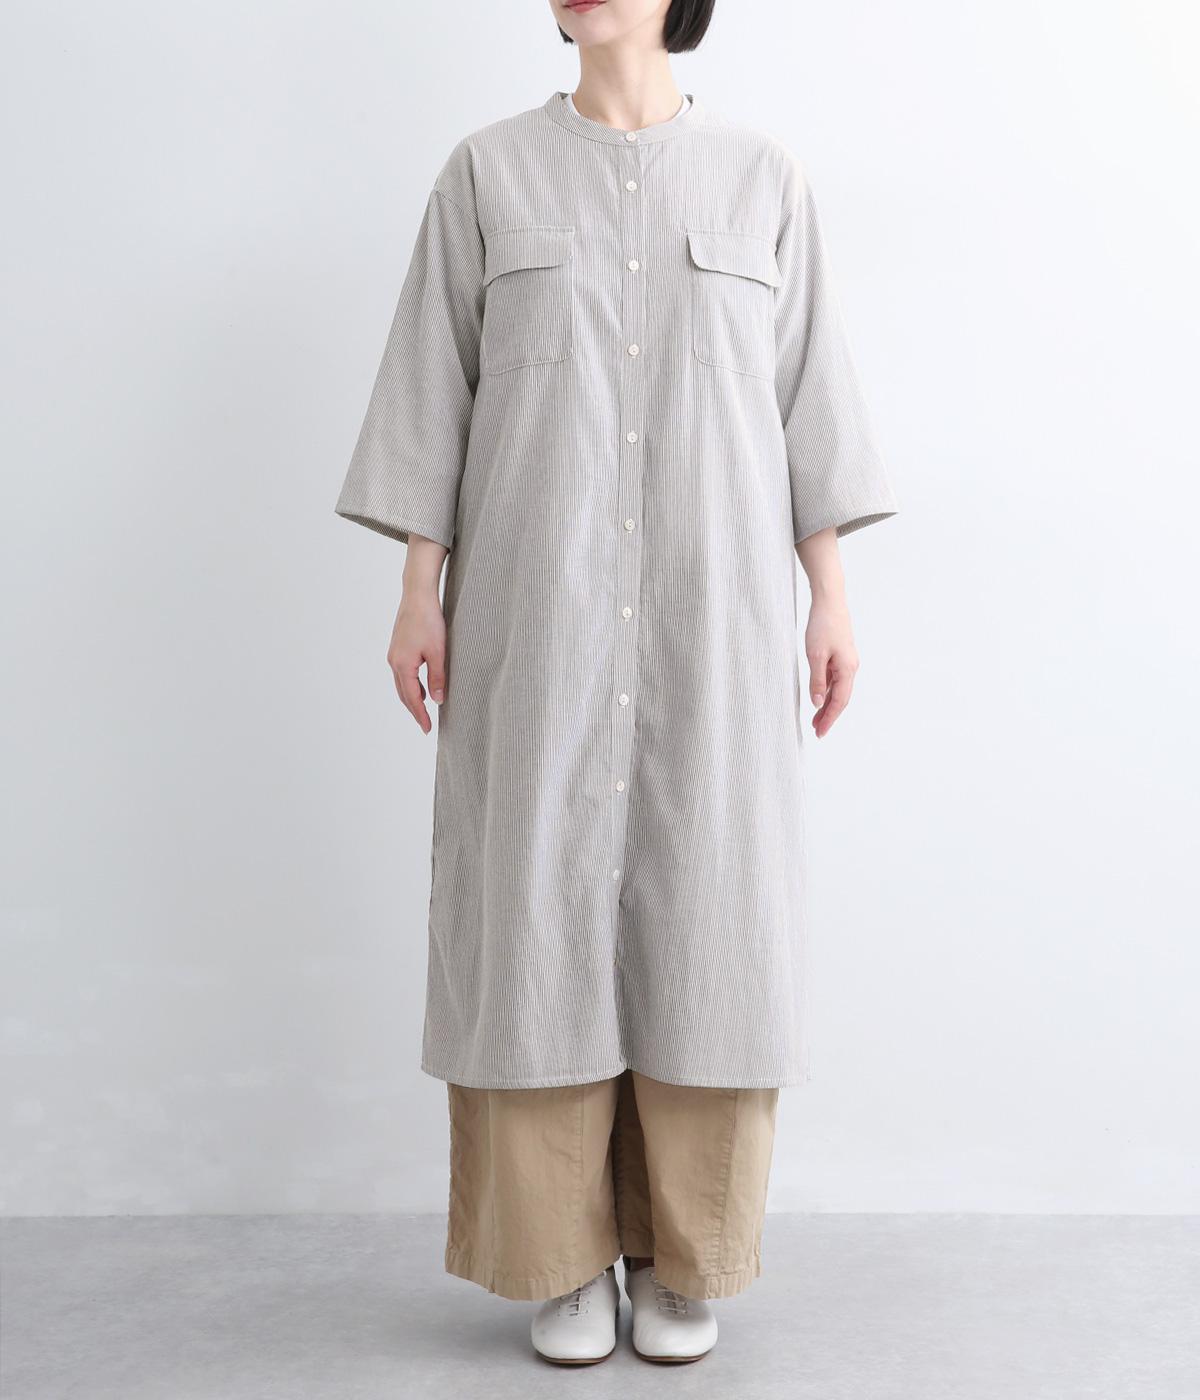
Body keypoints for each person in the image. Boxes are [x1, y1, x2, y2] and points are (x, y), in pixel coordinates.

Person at [334, 0, 897, 1367]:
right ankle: (561, 1257)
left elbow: (808, 399)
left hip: (716, 626)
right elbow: (433, 392)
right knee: (532, 906)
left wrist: (829, 594)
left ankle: (687, 1254)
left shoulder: (764, 180)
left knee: (711, 909)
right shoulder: (485, 175)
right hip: (539, 619)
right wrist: (418, 588)